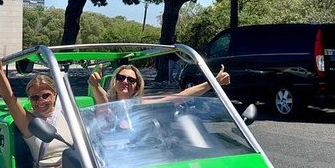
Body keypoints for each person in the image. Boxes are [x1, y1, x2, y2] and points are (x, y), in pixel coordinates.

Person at [0, 43, 72, 168]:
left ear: (55, 94)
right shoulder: (30, 121)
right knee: (74, 162)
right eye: (34, 98)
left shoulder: (69, 115)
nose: (41, 102)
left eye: (45, 95)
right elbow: (10, 99)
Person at [88, 63, 230, 105]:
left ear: (137, 86)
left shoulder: (140, 104)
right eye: (121, 78)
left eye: (131, 80)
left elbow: (179, 96)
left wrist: (213, 83)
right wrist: (95, 85)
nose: (125, 82)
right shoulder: (108, 103)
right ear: (115, 80)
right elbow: (103, 103)